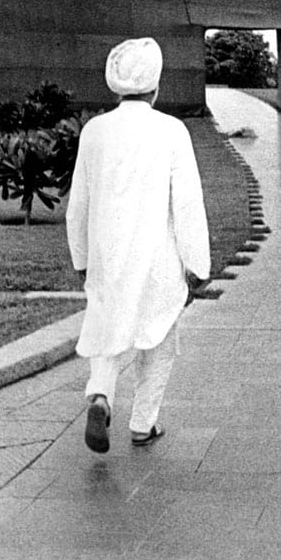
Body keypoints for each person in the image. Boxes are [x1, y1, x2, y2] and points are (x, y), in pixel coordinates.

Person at [65, 37, 211, 454]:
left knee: (106, 331)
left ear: (115, 86)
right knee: (159, 340)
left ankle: (100, 396)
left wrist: (81, 258)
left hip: (107, 259)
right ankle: (143, 424)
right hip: (157, 260)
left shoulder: (94, 131)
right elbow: (187, 204)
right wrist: (197, 265)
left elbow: (79, 204)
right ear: (156, 86)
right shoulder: (171, 131)